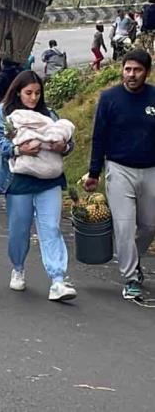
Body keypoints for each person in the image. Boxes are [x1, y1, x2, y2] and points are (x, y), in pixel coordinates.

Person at [0, 70, 77, 301]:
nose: (33, 98)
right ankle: (18, 268)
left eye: (37, 93)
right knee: (19, 230)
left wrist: (63, 147)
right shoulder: (4, 113)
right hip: (18, 182)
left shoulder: (49, 114)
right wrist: (18, 150)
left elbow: (68, 140)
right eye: (28, 93)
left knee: (51, 228)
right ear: (18, 91)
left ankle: (58, 280)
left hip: (49, 181)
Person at [84, 49, 155, 300]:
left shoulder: (153, 97)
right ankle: (131, 277)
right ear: (122, 70)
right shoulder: (109, 98)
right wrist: (94, 172)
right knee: (124, 226)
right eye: (127, 69)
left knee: (149, 225)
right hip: (119, 168)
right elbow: (99, 137)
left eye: (137, 70)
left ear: (146, 71)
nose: (132, 75)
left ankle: (132, 260)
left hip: (150, 170)